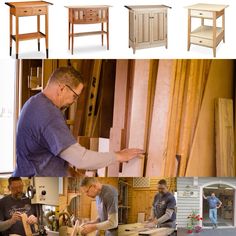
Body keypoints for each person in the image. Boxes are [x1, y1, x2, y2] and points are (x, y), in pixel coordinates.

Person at [13, 67, 144, 176]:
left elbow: (46, 154)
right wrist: (119, 156)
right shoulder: (48, 114)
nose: (74, 101)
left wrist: (71, 172)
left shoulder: (34, 102)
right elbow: (81, 159)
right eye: (74, 96)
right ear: (62, 88)